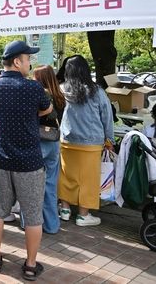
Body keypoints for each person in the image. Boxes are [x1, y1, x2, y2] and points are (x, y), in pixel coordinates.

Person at [0, 41, 52, 278]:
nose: (29, 63)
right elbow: (47, 109)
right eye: (27, 59)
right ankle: (31, 265)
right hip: (30, 162)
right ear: (17, 62)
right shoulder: (34, 89)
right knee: (33, 215)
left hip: (2, 160)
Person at [58, 55, 114, 227]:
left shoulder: (62, 89)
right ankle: (83, 215)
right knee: (88, 179)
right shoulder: (97, 91)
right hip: (91, 142)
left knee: (67, 175)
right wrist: (109, 139)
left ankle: (65, 209)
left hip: (67, 140)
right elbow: (107, 116)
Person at [33, 65, 66, 235]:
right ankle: (52, 225)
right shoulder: (60, 95)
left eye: (35, 77)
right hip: (54, 142)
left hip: (39, 141)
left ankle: (29, 223)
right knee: (51, 185)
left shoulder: (41, 94)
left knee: (31, 185)